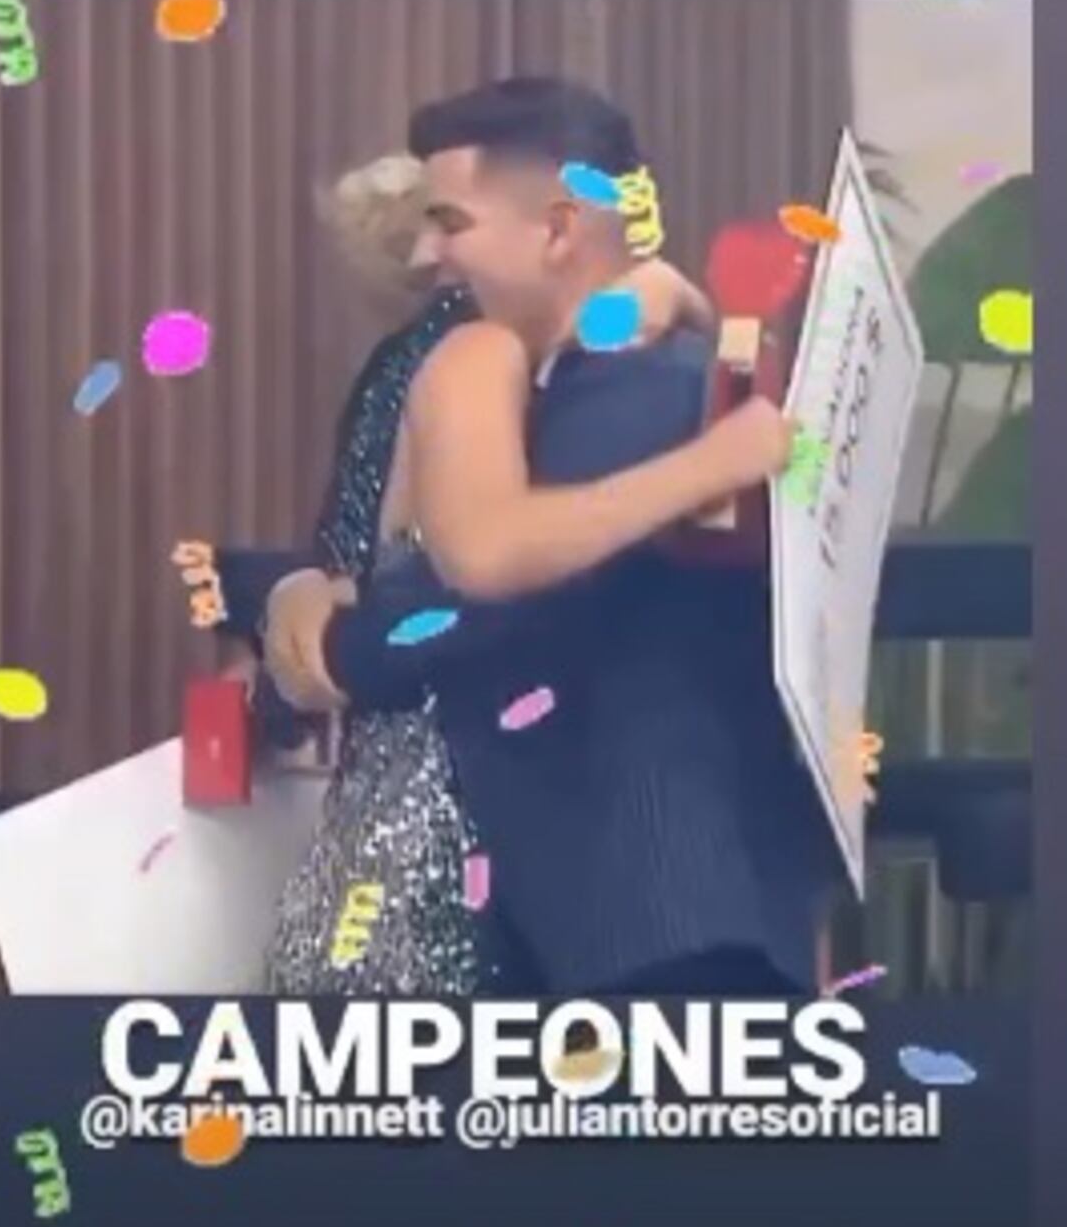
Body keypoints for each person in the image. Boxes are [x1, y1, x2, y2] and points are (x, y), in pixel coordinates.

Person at [266, 78, 842, 997]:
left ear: (560, 227)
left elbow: (487, 576)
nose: (428, 254)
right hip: (624, 920)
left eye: (449, 222)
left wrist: (330, 647)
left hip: (662, 913)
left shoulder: (641, 385)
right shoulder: (596, 370)